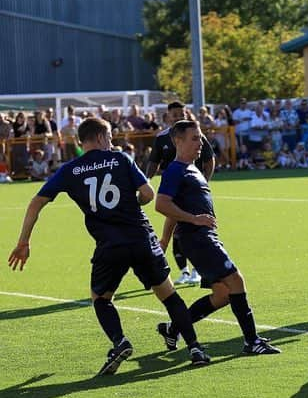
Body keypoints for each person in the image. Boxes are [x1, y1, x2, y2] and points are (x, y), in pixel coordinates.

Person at [7, 117, 210, 374]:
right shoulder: (121, 159)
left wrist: (24, 241)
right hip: (141, 237)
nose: (112, 142)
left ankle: (119, 341)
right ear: (102, 137)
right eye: (111, 138)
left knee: (101, 299)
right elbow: (147, 194)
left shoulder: (71, 169)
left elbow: (36, 202)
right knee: (168, 294)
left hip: (109, 244)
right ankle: (195, 347)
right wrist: (133, 202)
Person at [154, 120, 280, 355]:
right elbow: (161, 204)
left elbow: (173, 208)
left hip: (203, 237)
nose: (200, 143)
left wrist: (166, 238)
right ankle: (252, 341)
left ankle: (173, 329)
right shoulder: (175, 169)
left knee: (222, 295)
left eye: (201, 138)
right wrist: (193, 220)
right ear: (177, 141)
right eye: (194, 138)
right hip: (197, 239)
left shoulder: (193, 169)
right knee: (236, 280)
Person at [144, 101, 216, 285]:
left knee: (190, 228)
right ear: (168, 116)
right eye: (174, 114)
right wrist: (145, 182)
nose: (178, 116)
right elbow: (153, 162)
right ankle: (184, 270)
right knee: (180, 228)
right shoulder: (162, 138)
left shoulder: (194, 134)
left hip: (192, 190)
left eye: (181, 113)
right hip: (173, 189)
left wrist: (203, 183)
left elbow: (209, 159)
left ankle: (194, 269)